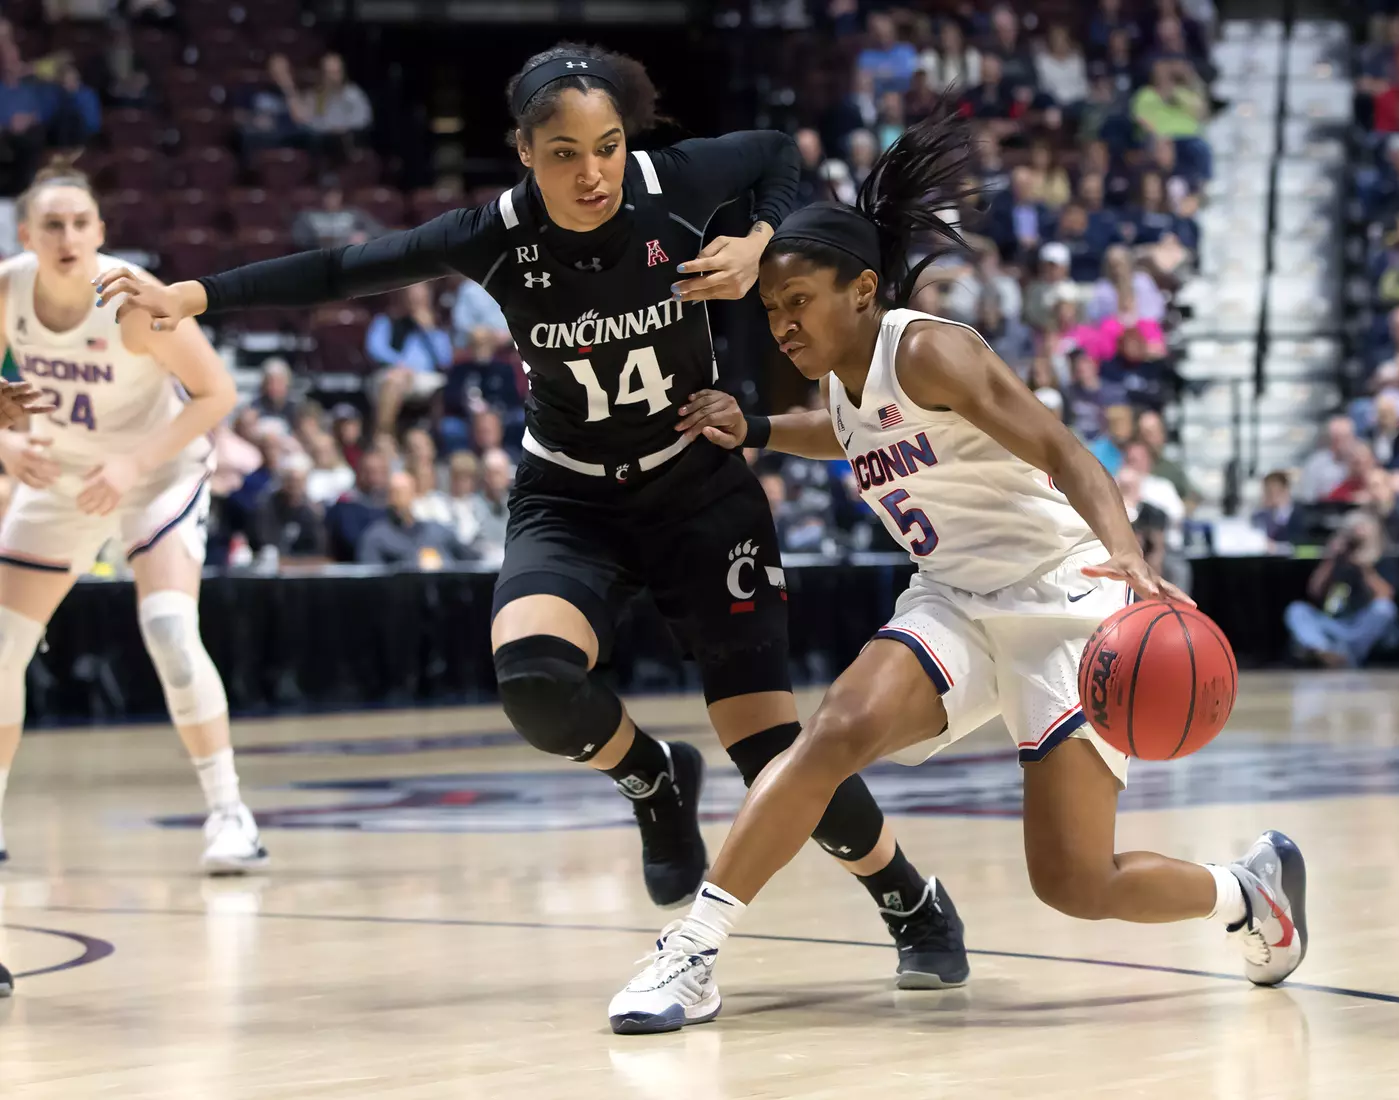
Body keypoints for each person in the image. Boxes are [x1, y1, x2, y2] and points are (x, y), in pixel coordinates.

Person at [95, 44, 967, 982]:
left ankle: (907, 896)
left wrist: (760, 239)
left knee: (769, 750)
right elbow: (347, 267)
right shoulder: (495, 233)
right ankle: (654, 777)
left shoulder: (671, 183)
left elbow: (775, 153)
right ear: (523, 151)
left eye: (606, 146)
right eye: (563, 152)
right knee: (536, 684)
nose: (591, 172)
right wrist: (191, 294)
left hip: (697, 491)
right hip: (571, 495)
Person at [610, 110, 1308, 1034]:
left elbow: (1063, 449)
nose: (781, 325)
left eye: (798, 304)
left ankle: (1246, 895)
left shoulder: (928, 348)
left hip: (1062, 601)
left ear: (862, 289)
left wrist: (1130, 555)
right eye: (772, 311)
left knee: (1073, 882)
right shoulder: (838, 372)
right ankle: (693, 952)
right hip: (955, 600)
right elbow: (854, 434)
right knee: (827, 737)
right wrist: (764, 429)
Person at [0, 160, 268, 874]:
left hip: (156, 472)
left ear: (101, 232)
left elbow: (215, 395)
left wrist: (128, 465)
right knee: (0, 651)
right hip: (60, 476)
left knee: (171, 629)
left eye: (81, 223)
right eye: (52, 224)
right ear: (26, 233)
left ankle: (230, 814)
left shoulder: (129, 300)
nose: (68, 236)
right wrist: (6, 440)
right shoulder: (7, 287)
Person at [1283, 512, 1399, 668]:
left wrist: (1364, 566)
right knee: (1296, 610)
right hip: (1336, 623)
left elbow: (1386, 595)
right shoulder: (1337, 559)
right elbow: (1314, 591)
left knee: (1385, 609)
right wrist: (1331, 558)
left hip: (1363, 626)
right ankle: (1326, 651)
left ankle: (1342, 655)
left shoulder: (1383, 558)